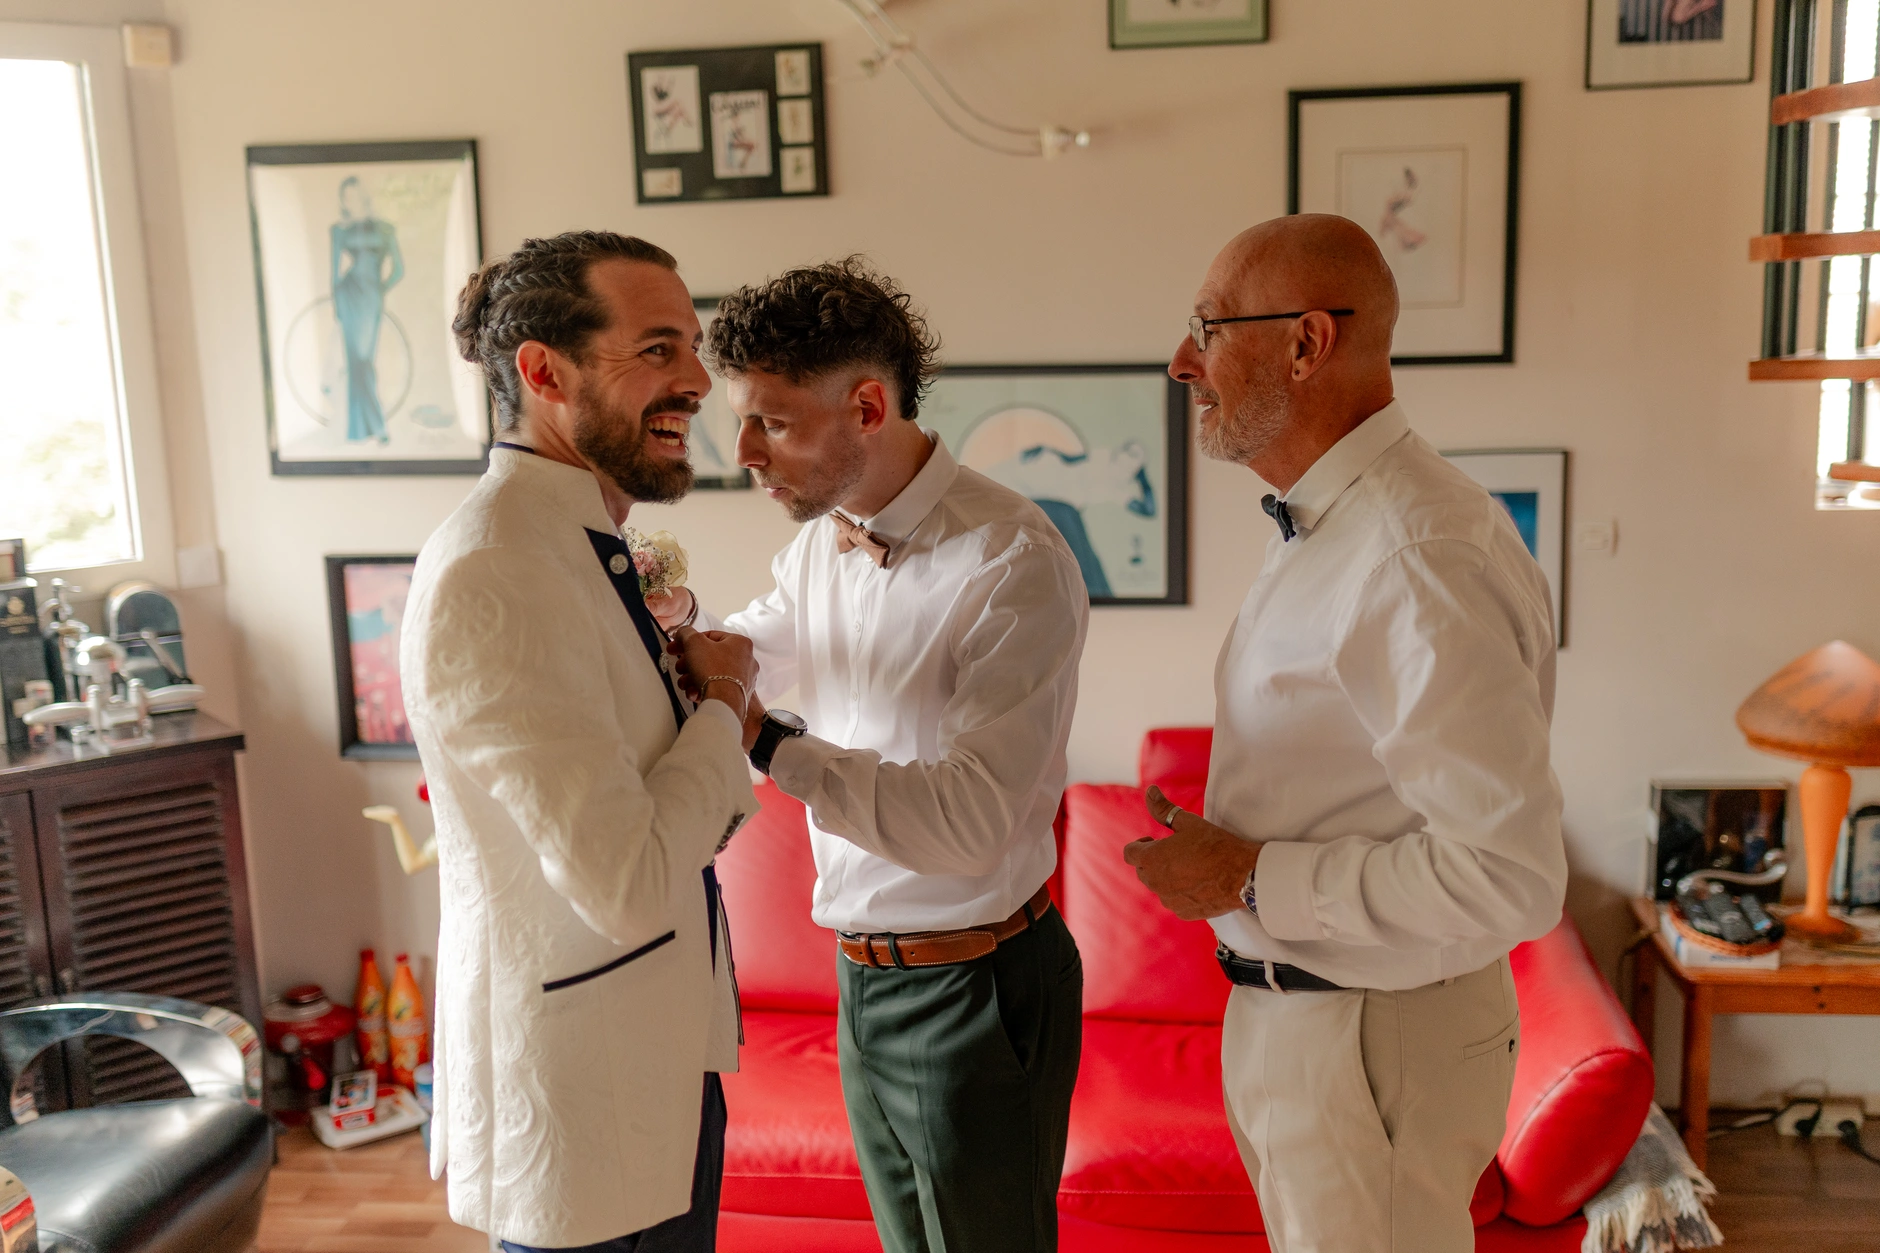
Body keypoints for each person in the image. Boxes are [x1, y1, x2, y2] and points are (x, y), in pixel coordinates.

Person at [1124, 215, 1566, 1253]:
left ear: (1305, 342)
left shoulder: (1410, 552)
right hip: (1317, 1028)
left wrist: (1246, 875)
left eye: (1208, 326)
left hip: (1367, 1041)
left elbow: (1508, 875)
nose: (1181, 360)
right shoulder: (1337, 525)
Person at [652, 259, 1089, 1253]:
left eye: (773, 421)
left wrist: (764, 736)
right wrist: (682, 623)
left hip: (974, 985)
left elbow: (970, 820)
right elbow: (755, 647)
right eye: (740, 418)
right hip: (860, 976)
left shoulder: (1011, 562)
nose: (746, 452)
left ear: (865, 404)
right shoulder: (822, 543)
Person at [402, 231, 761, 1253]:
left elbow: (657, 809)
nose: (696, 378)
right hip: (582, 1097)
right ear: (542, 371)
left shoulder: (574, 548)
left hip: (656, 1057)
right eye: (657, 349)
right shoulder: (496, 568)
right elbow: (625, 880)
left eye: (691, 347)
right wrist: (721, 705)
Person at [330, 177, 403, 443]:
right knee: (356, 362)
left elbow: (399, 269)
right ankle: (372, 428)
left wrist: (379, 291)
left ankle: (368, 429)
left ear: (364, 196)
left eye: (355, 195)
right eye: (346, 197)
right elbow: (334, 274)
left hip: (370, 298)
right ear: (344, 202)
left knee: (363, 362)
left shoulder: (385, 229)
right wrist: (337, 306)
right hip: (349, 296)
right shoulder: (339, 230)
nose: (352, 201)